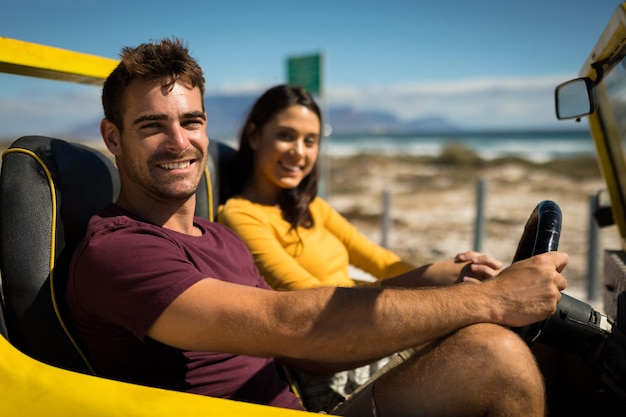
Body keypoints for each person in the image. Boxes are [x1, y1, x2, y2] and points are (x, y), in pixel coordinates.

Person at [65, 37, 571, 417]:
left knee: (556, 337)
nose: (179, 142)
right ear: (112, 137)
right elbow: (291, 323)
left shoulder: (217, 237)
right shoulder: (119, 250)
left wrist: (440, 282)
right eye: (152, 126)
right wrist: (491, 300)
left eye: (191, 121)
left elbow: (302, 350)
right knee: (493, 353)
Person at [217, 84, 504, 411]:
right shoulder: (239, 214)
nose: (299, 151)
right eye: (286, 135)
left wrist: (446, 273)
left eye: (310, 141)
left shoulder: (313, 209)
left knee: (503, 333)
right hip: (330, 369)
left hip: (371, 338)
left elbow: (382, 263)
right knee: (493, 354)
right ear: (254, 136)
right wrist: (430, 282)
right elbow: (305, 297)